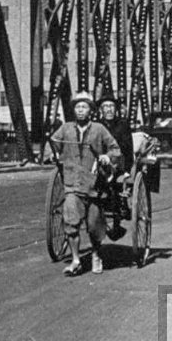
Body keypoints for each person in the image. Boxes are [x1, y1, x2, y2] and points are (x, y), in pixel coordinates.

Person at [51, 90, 122, 276]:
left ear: (90, 110)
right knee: (71, 220)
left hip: (94, 185)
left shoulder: (99, 129)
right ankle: (76, 259)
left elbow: (115, 148)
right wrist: (53, 153)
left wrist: (107, 156)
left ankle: (96, 253)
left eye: (84, 107)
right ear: (73, 110)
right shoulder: (65, 128)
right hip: (72, 183)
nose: (80, 110)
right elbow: (54, 142)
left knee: (94, 225)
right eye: (77, 107)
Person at [96, 93, 134, 236]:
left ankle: (117, 219)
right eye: (105, 106)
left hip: (118, 161)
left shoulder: (122, 125)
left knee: (116, 183)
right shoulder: (96, 125)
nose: (109, 109)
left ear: (116, 109)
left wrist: (127, 170)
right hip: (99, 161)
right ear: (101, 110)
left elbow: (128, 149)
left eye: (111, 106)